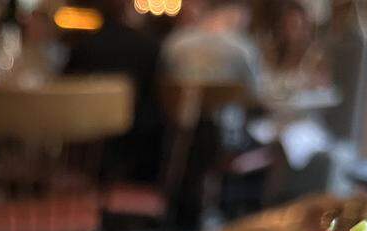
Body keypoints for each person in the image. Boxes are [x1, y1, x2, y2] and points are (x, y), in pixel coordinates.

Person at [64, 0, 162, 181]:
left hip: (82, 152)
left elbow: (64, 92)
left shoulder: (85, 45)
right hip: (136, 157)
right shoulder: (149, 47)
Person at [160, 0, 261, 93]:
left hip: (180, 111)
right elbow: (257, 91)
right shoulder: (241, 48)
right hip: (229, 111)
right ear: (236, 12)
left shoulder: (175, 42)